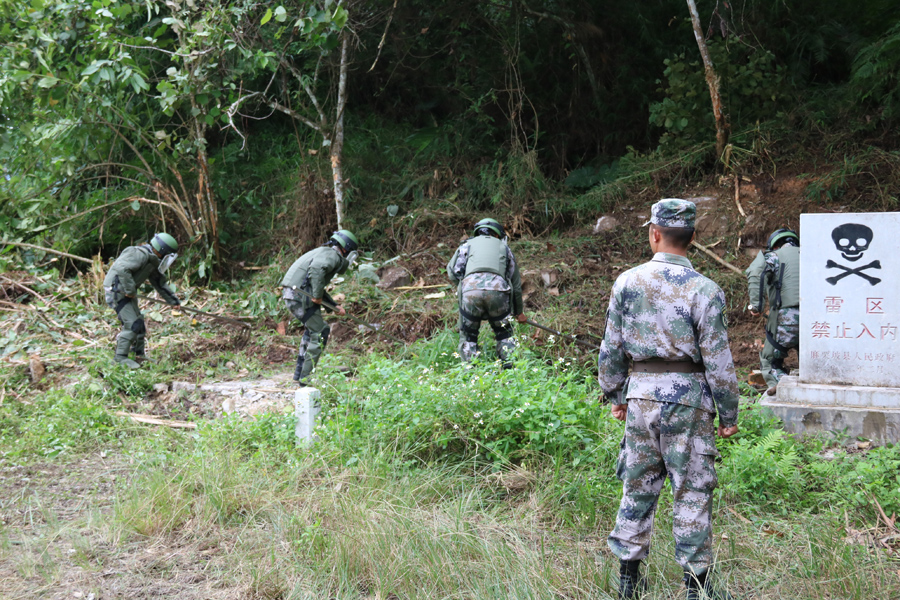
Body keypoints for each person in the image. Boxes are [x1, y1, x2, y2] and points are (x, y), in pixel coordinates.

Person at [597, 199, 740, 600]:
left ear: (654, 234)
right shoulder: (706, 290)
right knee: (692, 488)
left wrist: (614, 392)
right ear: (692, 238)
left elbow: (612, 347)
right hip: (691, 401)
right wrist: (728, 412)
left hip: (641, 396)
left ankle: (629, 578)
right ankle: (696, 586)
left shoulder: (626, 282)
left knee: (637, 484)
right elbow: (719, 360)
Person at [281, 230, 358, 386]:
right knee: (320, 331)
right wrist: (316, 295)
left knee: (312, 330)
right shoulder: (332, 256)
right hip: (299, 295)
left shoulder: (324, 252)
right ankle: (305, 380)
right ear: (345, 249)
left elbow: (316, 284)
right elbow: (316, 269)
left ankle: (299, 375)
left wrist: (334, 306)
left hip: (294, 293)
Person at [447, 218, 526, 367]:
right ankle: (510, 373)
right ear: (498, 234)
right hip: (498, 291)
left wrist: (466, 287)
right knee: (504, 334)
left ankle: (470, 376)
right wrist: (519, 312)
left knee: (469, 336)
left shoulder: (467, 245)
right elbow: (515, 285)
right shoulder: (505, 248)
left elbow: (452, 272)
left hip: (470, 291)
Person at [103, 232, 181, 369]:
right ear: (162, 251)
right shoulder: (139, 254)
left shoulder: (152, 261)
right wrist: (130, 290)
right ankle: (120, 358)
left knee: (139, 323)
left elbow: (159, 283)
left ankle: (138, 355)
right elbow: (121, 268)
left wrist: (173, 302)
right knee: (132, 323)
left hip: (126, 292)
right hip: (116, 291)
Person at [745, 228, 800, 395]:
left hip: (787, 318)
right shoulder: (812, 254)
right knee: (811, 359)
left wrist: (756, 306)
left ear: (775, 246)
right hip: (817, 322)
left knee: (770, 360)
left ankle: (783, 391)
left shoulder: (774, 256)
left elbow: (755, 272)